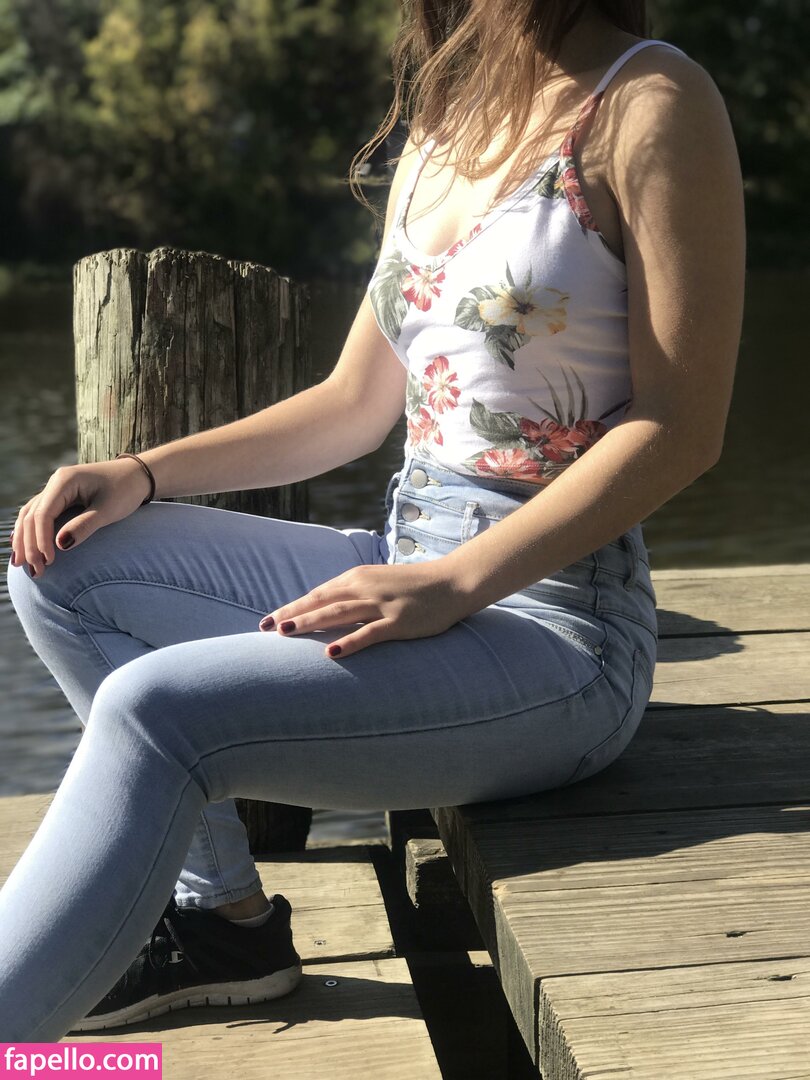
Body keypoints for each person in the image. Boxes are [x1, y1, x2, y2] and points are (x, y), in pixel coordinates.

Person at [1, 0, 744, 1042]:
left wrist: (457, 583)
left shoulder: (652, 100)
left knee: (155, 710)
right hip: (407, 555)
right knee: (61, 562)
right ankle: (223, 923)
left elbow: (681, 429)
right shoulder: (447, 126)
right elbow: (354, 405)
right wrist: (142, 473)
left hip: (557, 632)